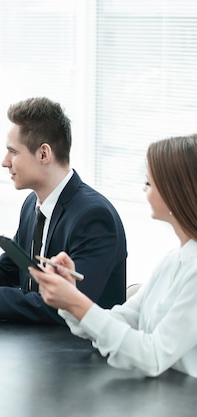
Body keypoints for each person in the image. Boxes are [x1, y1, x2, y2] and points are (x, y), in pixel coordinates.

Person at [0, 97, 127, 324]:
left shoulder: (93, 216)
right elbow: (8, 269)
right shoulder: (32, 203)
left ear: (43, 154)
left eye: (13, 152)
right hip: (36, 344)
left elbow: (70, 305)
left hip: (80, 351)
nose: (5, 162)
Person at [29, 134, 197, 377]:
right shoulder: (172, 260)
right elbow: (124, 319)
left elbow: (154, 356)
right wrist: (72, 298)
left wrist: (77, 303)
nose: (143, 189)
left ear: (175, 192)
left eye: (149, 183)